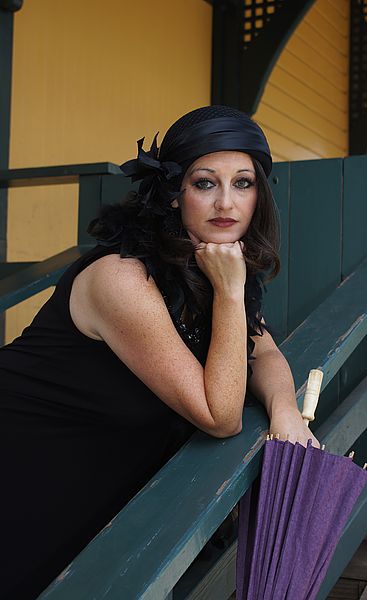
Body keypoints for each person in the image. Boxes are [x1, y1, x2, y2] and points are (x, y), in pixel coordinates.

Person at [0, 105, 319, 599]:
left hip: (86, 485)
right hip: (20, 462)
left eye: (244, 183)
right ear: (173, 195)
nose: (226, 204)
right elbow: (220, 415)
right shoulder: (122, 277)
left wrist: (286, 413)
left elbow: (265, 354)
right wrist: (230, 294)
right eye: (205, 183)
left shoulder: (214, 266)